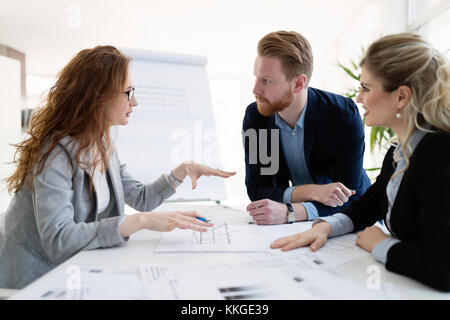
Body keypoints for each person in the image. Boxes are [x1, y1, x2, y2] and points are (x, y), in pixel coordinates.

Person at [0, 45, 235, 289]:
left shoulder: (102, 142)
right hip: (32, 279)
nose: (135, 102)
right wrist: (140, 222)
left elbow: (141, 198)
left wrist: (182, 170)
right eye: (127, 92)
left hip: (73, 268)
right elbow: (58, 240)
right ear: (96, 96)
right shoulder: (55, 154)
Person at [271, 33, 450, 292]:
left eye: (366, 88)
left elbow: (443, 269)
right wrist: (327, 227)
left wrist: (380, 244)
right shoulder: (402, 148)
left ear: (401, 97)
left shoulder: (440, 155)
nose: (358, 98)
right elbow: (371, 204)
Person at [243, 31, 371, 224]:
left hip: (351, 219)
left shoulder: (342, 114)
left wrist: (290, 212)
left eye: (267, 81)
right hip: (301, 222)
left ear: (298, 83)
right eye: (256, 78)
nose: (255, 90)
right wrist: (313, 191)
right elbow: (258, 189)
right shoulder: (257, 117)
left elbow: (349, 195)